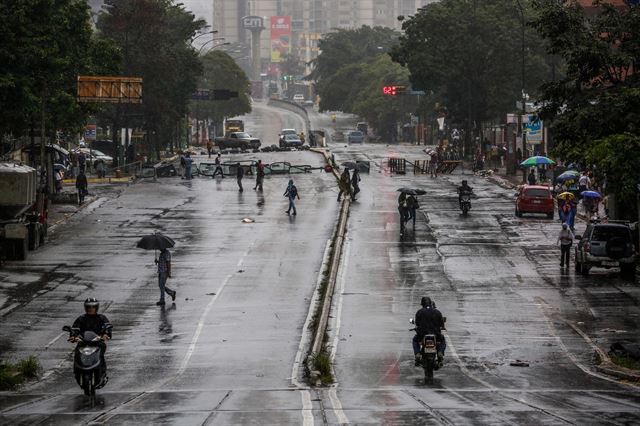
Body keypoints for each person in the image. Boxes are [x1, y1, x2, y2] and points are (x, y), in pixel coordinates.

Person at [71, 298, 112, 382]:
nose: (90, 309)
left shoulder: (101, 318)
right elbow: (75, 329)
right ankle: (76, 371)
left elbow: (108, 326)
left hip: (97, 343)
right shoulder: (81, 318)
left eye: (93, 307)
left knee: (101, 354)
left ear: (96, 308)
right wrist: (73, 336)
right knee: (76, 353)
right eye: (88, 307)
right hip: (83, 342)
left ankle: (102, 372)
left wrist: (106, 335)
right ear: (85, 307)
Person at [413, 296, 446, 367]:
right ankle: (440, 352)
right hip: (435, 334)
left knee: (415, 340)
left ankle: (417, 354)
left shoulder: (419, 312)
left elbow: (417, 323)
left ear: (422, 304)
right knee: (442, 340)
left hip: (422, 334)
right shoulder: (437, 312)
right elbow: (441, 324)